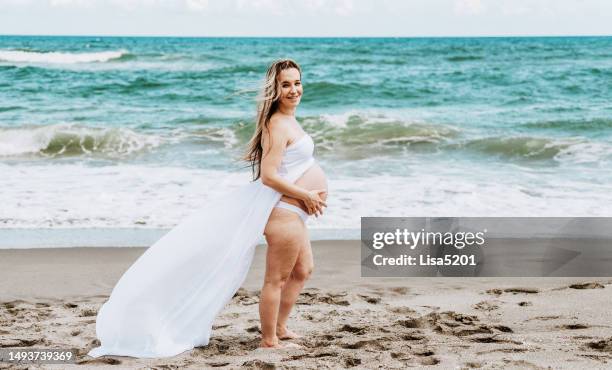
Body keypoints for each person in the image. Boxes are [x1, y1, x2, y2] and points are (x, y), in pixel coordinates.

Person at [87, 58, 327, 358]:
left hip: (297, 211)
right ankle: (269, 340)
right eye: (286, 85)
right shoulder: (277, 124)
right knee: (276, 279)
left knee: (303, 270)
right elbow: (268, 176)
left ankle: (280, 327)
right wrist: (307, 194)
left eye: (297, 82)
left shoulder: (290, 119)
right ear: (274, 90)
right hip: (284, 213)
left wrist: (307, 197)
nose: (294, 90)